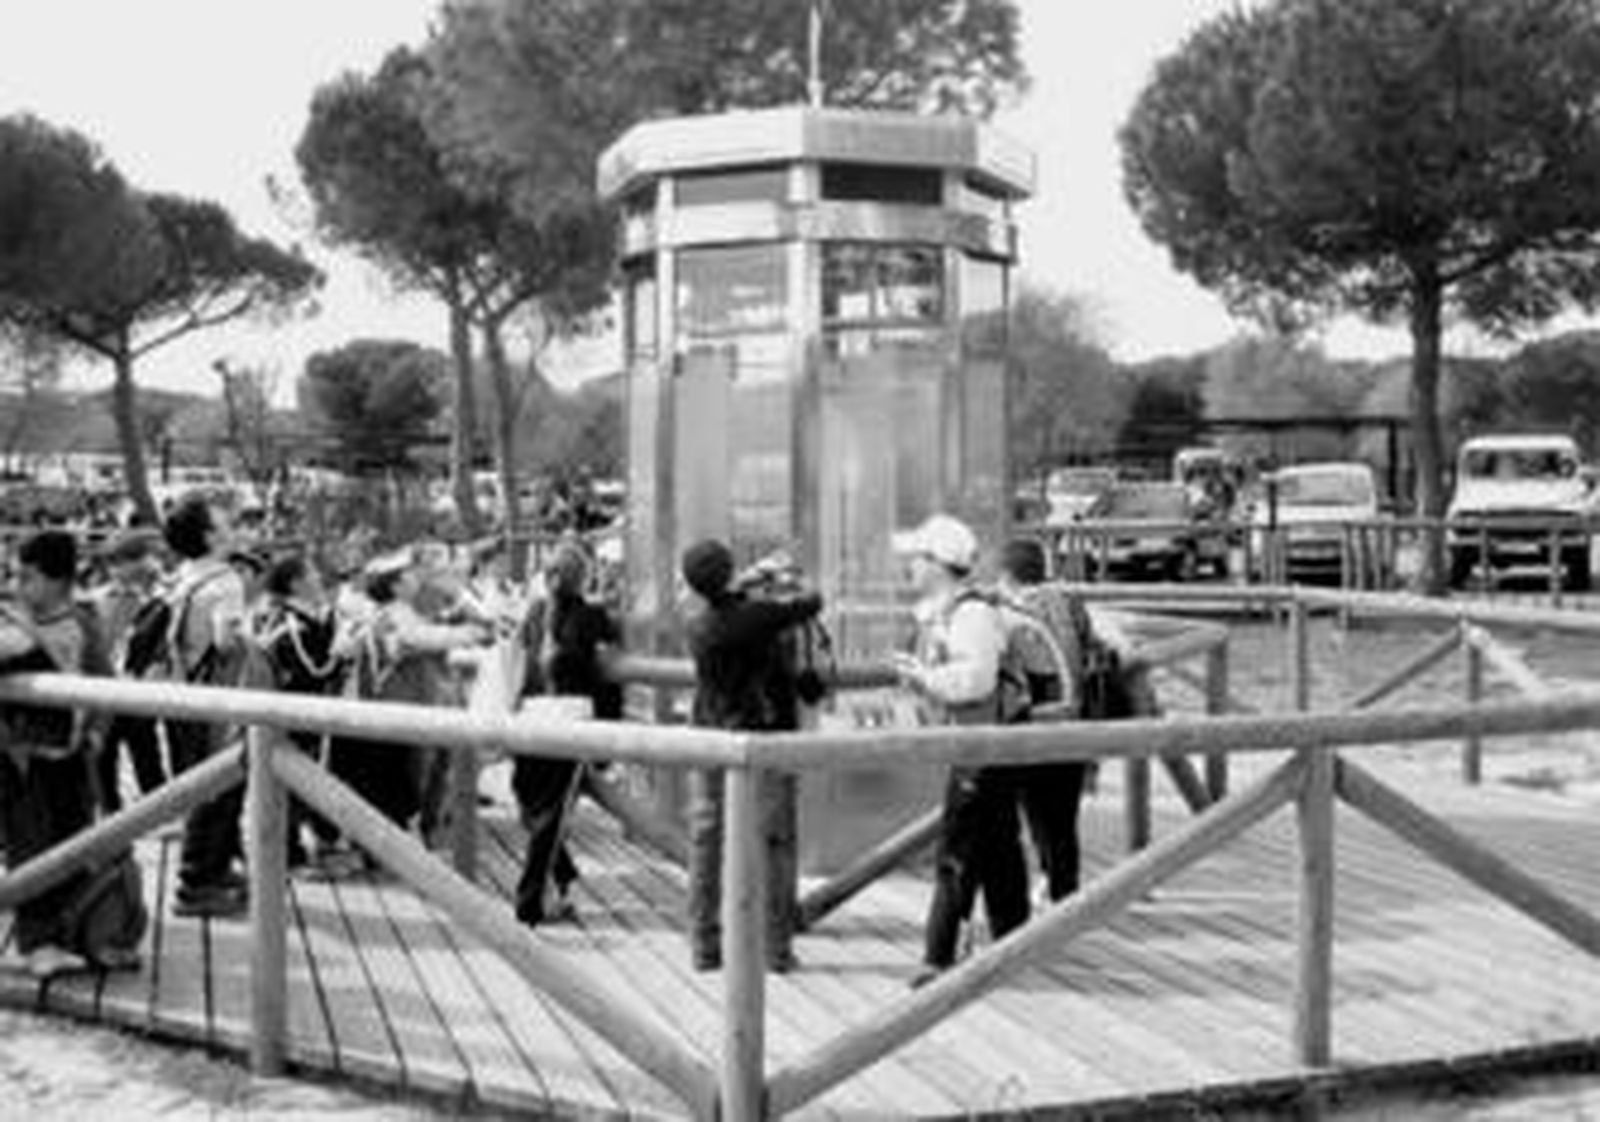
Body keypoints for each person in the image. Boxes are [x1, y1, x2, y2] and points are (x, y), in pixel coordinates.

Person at [888, 513, 1030, 989]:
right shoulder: (958, 610)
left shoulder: (970, 615)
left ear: (937, 563)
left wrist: (924, 678)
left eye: (917, 557)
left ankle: (939, 956)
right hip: (989, 742)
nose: (909, 565)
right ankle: (1015, 944)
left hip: (981, 746)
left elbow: (976, 680)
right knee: (998, 850)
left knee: (958, 850)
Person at [680, 538, 822, 974]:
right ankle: (775, 947)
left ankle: (704, 944)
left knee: (706, 842)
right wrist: (778, 578)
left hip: (708, 737)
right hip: (761, 737)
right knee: (774, 840)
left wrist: (744, 583)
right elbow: (811, 602)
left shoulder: (697, 622)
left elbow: (735, 610)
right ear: (729, 571)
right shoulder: (755, 617)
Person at [0, 530, 113, 976]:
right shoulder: (10, 623)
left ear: (60, 580)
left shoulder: (83, 624)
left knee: (72, 839)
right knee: (30, 843)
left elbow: (105, 682)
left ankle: (73, 926)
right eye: (14, 575)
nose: (16, 585)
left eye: (27, 577)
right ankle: (37, 941)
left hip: (71, 754)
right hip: (18, 757)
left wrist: (98, 733)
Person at [328, 548, 490, 848]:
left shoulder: (389, 612)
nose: (417, 578)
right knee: (410, 784)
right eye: (409, 575)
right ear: (396, 585)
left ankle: (408, 841)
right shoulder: (396, 613)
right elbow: (424, 637)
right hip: (400, 712)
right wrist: (472, 631)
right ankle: (408, 847)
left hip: (396, 709)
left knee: (408, 783)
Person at [511, 542, 623, 928]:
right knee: (549, 814)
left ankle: (549, 887)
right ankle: (534, 899)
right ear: (584, 579)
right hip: (569, 720)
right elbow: (610, 670)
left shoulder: (535, 612)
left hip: (530, 716)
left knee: (532, 804)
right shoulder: (591, 616)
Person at [163, 495, 253, 919]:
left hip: (181, 692)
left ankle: (215, 869)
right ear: (209, 536)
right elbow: (225, 642)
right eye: (226, 524)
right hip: (217, 695)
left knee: (202, 783)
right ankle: (197, 881)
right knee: (221, 787)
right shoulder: (227, 580)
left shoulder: (183, 574)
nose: (235, 529)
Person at [996, 537, 1094, 902]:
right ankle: (1065, 893)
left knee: (1032, 814)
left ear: (1007, 575)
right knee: (1063, 819)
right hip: (1075, 721)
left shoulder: (1011, 610)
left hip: (1035, 721)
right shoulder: (1070, 604)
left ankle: (1049, 885)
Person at [256, 553, 346, 871]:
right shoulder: (290, 625)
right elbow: (315, 670)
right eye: (313, 574)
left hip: (312, 716)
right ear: (296, 584)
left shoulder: (314, 617)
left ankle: (323, 840)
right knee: (290, 784)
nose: (320, 579)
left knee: (313, 776)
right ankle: (288, 856)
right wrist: (343, 652)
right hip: (292, 717)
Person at [87, 528, 169, 812]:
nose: (116, 570)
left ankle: (160, 818)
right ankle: (113, 830)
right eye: (113, 563)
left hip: (137, 693)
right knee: (103, 768)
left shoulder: (159, 600)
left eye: (122, 562)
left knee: (148, 764)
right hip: (104, 694)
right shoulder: (96, 601)